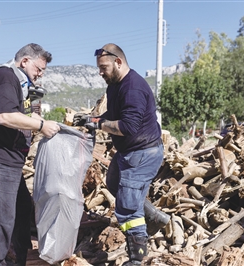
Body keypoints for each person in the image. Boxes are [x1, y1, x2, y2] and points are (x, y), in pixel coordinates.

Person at [0, 43, 60, 266]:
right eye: (39, 68)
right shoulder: (6, 78)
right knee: (1, 219)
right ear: (25, 61)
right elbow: (5, 116)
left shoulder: (19, 84)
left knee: (21, 212)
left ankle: (20, 260)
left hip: (8, 160)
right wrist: (41, 124)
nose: (40, 74)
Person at [90, 43, 169, 265]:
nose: (100, 72)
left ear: (118, 62)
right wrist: (94, 119)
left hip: (142, 153)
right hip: (129, 152)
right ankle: (154, 217)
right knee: (113, 182)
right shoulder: (115, 85)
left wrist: (98, 124)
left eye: (104, 67)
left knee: (127, 207)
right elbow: (114, 114)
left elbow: (128, 126)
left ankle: (138, 258)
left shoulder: (133, 87)